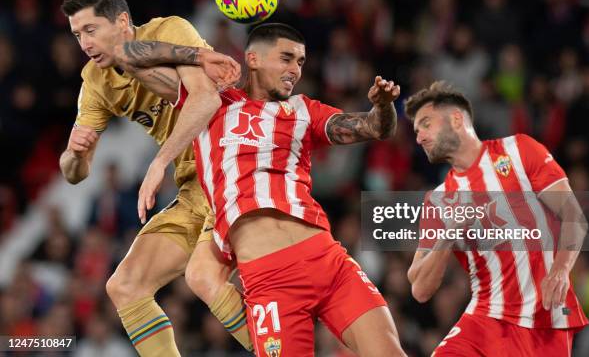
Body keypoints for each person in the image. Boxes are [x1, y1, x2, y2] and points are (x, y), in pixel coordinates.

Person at [135, 23, 407, 356]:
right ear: (253, 58)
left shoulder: (303, 110)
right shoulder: (209, 103)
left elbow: (375, 128)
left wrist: (382, 107)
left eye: (301, 62)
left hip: (327, 260)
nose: (295, 69)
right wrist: (199, 55)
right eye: (286, 58)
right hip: (270, 281)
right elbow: (132, 57)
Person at [59, 0, 252, 355]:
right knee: (125, 286)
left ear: (122, 21)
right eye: (77, 34)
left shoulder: (168, 31)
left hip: (231, 164)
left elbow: (205, 98)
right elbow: (73, 173)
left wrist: (159, 162)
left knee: (203, 276)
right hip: (194, 188)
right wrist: (77, 155)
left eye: (90, 30)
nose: (84, 42)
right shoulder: (95, 82)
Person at [404, 81, 589, 355]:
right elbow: (420, 288)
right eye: (417, 131)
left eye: (426, 124)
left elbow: (574, 215)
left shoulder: (519, 151)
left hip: (544, 320)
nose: (419, 138)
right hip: (485, 319)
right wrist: (451, 231)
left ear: (456, 119)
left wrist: (561, 269)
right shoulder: (439, 200)